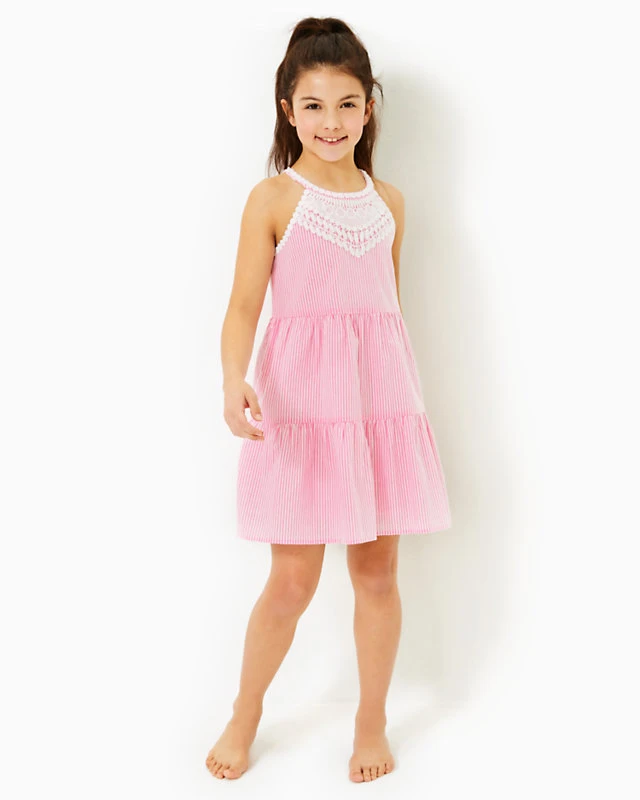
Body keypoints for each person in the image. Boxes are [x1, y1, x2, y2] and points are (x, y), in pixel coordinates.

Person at [207, 16, 452, 783]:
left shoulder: (390, 203)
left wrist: (391, 404)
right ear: (288, 110)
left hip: (377, 408)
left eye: (347, 104)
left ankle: (371, 720)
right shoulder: (274, 199)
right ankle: (245, 711)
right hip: (303, 411)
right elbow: (243, 305)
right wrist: (233, 378)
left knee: (377, 573)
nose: (331, 122)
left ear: (369, 107)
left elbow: (385, 314)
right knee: (292, 581)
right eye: (313, 106)